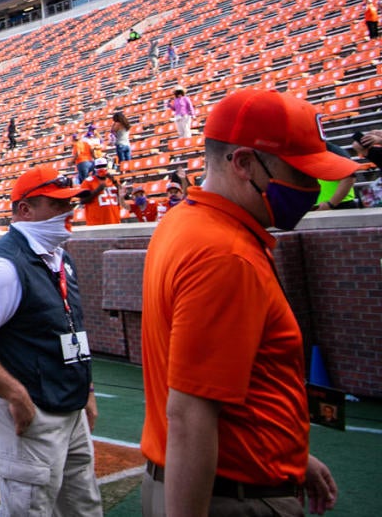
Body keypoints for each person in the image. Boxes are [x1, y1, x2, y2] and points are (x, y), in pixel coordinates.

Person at [140, 89, 349, 517]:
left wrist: (285, 456)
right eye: (299, 172)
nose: (311, 188)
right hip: (228, 497)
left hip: (227, 478)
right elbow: (190, 413)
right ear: (244, 163)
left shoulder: (188, 218)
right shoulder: (225, 253)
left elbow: (236, 383)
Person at [0, 165, 101, 516]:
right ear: (26, 209)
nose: (68, 211)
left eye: (69, 203)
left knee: (83, 505)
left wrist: (85, 389)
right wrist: (15, 393)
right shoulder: (3, 265)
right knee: (31, 507)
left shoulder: (59, 257)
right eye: (57, 204)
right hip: (35, 406)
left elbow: (66, 326)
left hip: (68, 403)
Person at [314, 141, 358, 210]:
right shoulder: (305, 154)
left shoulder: (333, 151)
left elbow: (349, 177)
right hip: (318, 207)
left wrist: (330, 204)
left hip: (340, 205)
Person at [79, 157, 122, 225]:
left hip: (114, 220)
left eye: (103, 166)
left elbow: (124, 196)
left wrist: (115, 182)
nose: (101, 168)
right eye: (99, 166)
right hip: (96, 222)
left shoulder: (114, 180)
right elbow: (83, 201)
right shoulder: (88, 181)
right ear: (95, 168)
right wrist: (97, 190)